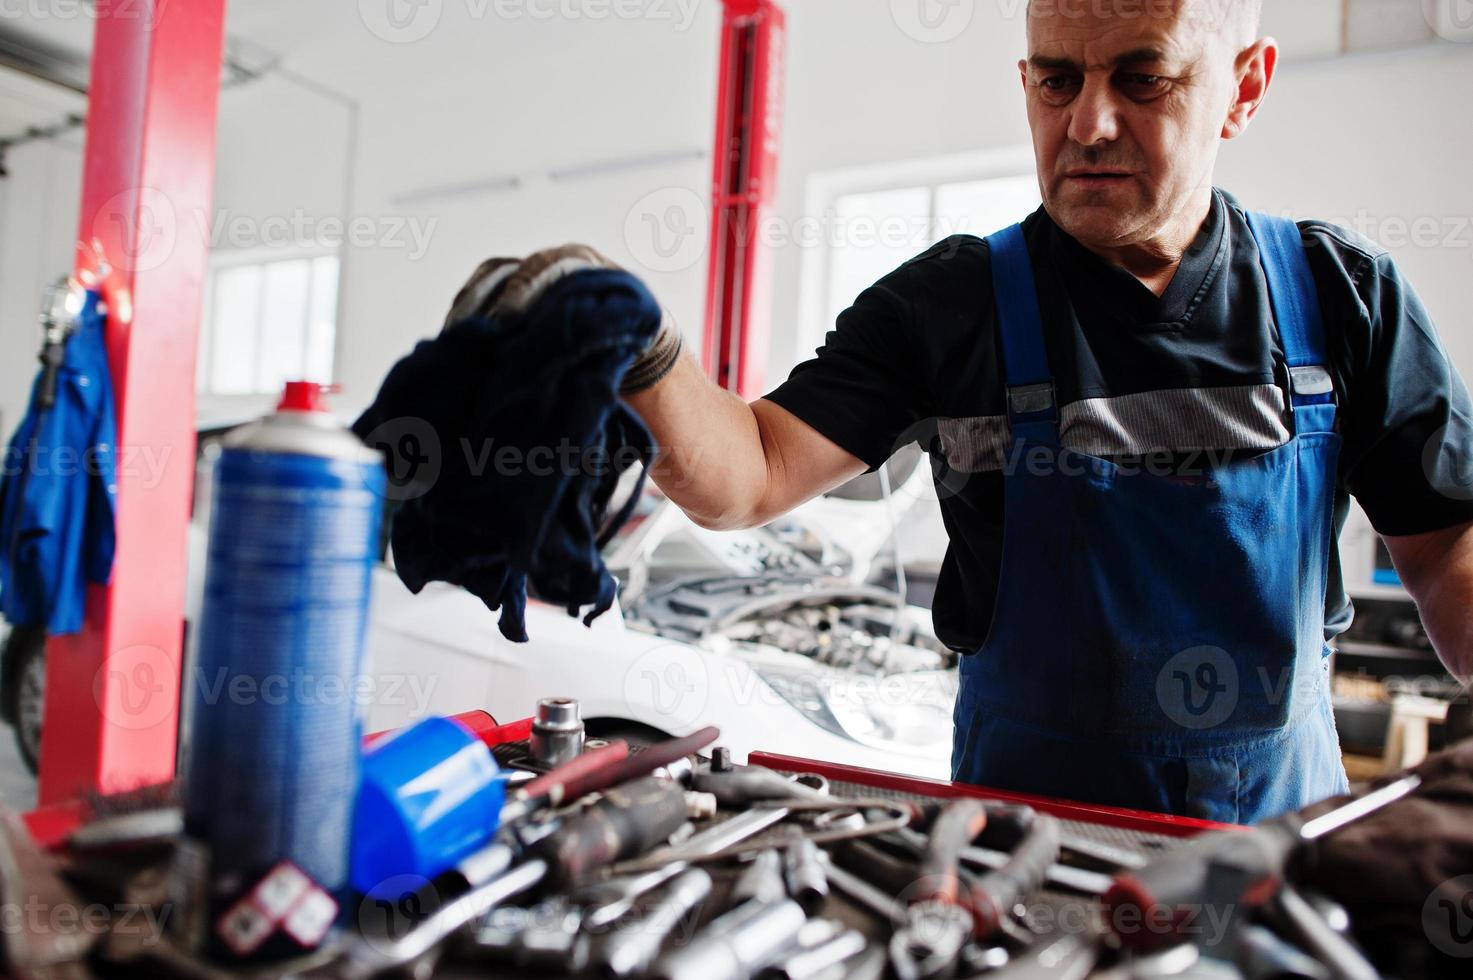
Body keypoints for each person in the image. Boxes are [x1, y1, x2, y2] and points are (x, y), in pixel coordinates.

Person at [462, 0, 1473, 823]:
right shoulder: (952, 305)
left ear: (1244, 87)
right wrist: (637, 342)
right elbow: (753, 468)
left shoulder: (1340, 298)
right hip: (1010, 855)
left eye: (1141, 77)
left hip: (1276, 857)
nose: (1087, 124)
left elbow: (1445, 552)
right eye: (1056, 79)